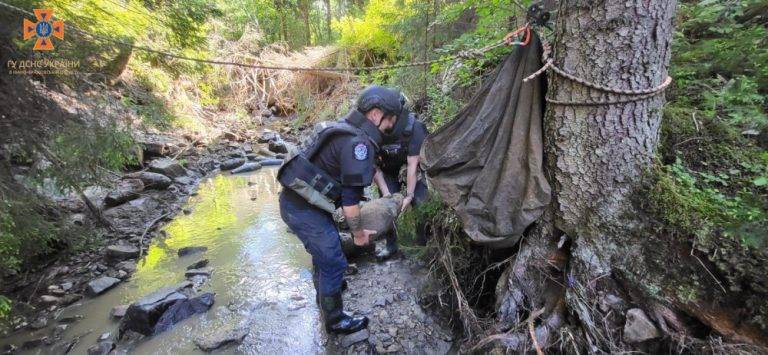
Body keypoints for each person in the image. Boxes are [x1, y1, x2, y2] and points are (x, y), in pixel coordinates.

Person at [277, 85, 402, 334]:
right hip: (303, 209)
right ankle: (334, 319)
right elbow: (350, 203)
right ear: (376, 115)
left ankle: (324, 294)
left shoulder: (344, 131)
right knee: (334, 261)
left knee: (325, 251)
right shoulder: (359, 145)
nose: (390, 127)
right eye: (390, 121)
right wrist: (358, 234)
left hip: (300, 203)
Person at [373, 95, 429, 260]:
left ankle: (422, 245)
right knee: (387, 205)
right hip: (387, 169)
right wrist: (387, 194)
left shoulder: (415, 128)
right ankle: (391, 246)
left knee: (420, 202)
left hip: (410, 167)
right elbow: (373, 166)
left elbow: (413, 165)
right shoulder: (374, 128)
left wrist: (409, 195)